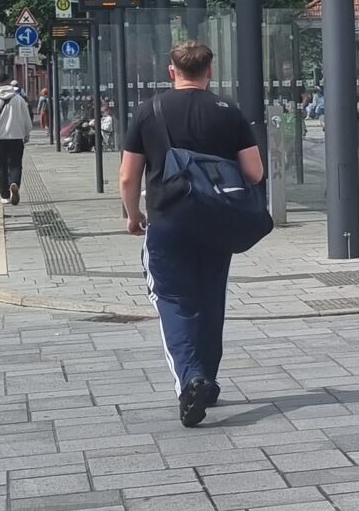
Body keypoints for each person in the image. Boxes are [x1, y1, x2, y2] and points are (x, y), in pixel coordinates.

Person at [120, 40, 263, 429]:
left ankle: (191, 377)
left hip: (168, 220)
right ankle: (209, 379)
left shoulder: (149, 112)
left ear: (172, 71)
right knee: (210, 297)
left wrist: (134, 216)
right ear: (209, 71)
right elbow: (254, 172)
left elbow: (129, 176)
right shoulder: (228, 112)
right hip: (216, 222)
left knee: (172, 299)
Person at [0, 72, 30, 206]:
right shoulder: (18, 99)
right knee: (15, 164)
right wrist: (27, 134)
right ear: (8, 82)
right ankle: (14, 182)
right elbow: (26, 118)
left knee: (1, 167)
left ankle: (4, 195)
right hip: (16, 137)